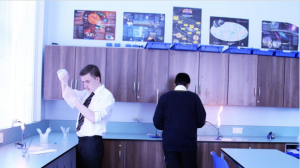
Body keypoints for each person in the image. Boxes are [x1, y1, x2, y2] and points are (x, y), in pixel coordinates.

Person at [57, 64, 115, 168]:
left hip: (93, 143)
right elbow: (67, 95)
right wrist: (63, 82)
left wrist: (76, 101)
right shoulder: (87, 94)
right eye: (83, 82)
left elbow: (94, 118)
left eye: (87, 81)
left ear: (97, 79)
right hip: (82, 141)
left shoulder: (106, 96)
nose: (85, 85)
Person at [153, 73, 206, 168]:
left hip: (170, 143)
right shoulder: (194, 98)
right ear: (188, 84)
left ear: (174, 84)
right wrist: (192, 125)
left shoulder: (164, 97)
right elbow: (201, 121)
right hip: (188, 143)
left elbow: (157, 122)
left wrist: (168, 127)